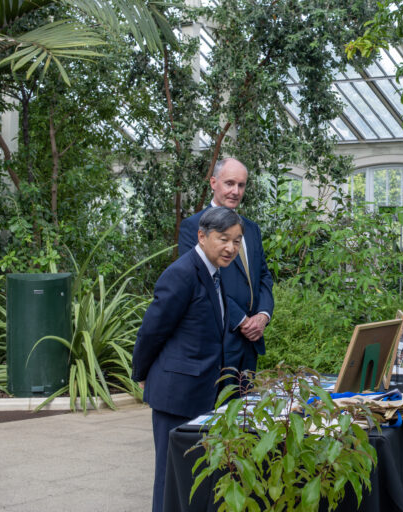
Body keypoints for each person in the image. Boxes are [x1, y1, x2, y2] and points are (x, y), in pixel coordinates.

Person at [132, 207, 244, 512]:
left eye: (236, 241)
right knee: (170, 482)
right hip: (176, 396)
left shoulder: (214, 273)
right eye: (224, 239)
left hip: (204, 394)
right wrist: (142, 374)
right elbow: (152, 332)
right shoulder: (182, 273)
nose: (230, 248)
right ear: (202, 236)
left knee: (196, 478)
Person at [178, 158, 274, 376]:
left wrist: (263, 316)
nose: (235, 191)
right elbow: (200, 282)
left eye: (241, 185)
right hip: (218, 341)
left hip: (251, 342)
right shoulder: (194, 227)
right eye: (229, 183)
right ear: (213, 183)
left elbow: (264, 277)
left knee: (248, 409)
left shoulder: (251, 228)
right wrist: (241, 320)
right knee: (218, 410)